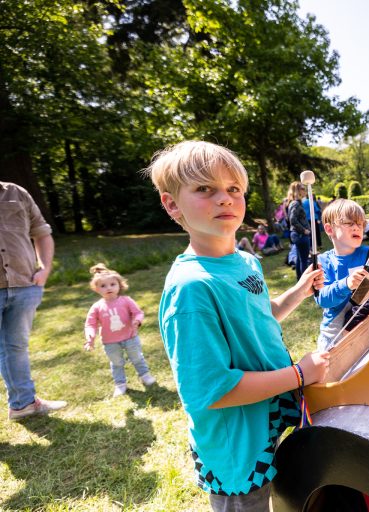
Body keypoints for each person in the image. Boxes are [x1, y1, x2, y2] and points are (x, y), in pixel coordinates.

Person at [145, 141, 329, 511]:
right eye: (204, 189)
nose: (224, 199)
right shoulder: (191, 289)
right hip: (236, 447)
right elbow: (212, 390)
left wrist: (296, 293)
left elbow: (255, 321)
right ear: (171, 204)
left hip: (263, 421)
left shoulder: (247, 261)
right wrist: (298, 374)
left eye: (233, 189)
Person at [1, 181, 67, 420]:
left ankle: (22, 404)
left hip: (23, 286)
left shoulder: (16, 192)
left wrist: (45, 269)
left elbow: (42, 232)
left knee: (16, 347)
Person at [315, 199, 369, 351]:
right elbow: (322, 299)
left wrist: (352, 323)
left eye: (360, 224)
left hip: (368, 325)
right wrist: (346, 284)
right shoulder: (323, 261)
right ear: (329, 229)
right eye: (349, 223)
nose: (357, 227)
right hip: (333, 334)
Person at [83, 263, 156, 397]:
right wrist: (90, 337)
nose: (108, 288)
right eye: (103, 286)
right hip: (110, 342)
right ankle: (120, 384)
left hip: (130, 336)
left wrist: (137, 320)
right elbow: (90, 324)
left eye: (112, 284)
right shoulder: (97, 307)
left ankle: (145, 375)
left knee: (137, 357)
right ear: (96, 289)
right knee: (116, 363)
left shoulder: (126, 300)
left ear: (119, 285)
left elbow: (138, 313)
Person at [287, 181, 312, 281]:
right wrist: (304, 231)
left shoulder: (296, 203)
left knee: (299, 259)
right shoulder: (295, 203)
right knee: (303, 260)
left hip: (298, 235)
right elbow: (292, 220)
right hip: (300, 235)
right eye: (302, 188)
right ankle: (304, 282)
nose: (305, 191)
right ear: (297, 190)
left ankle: (300, 280)